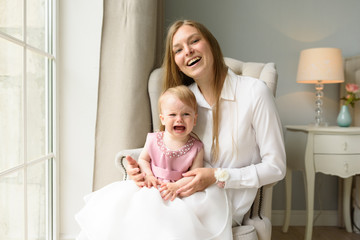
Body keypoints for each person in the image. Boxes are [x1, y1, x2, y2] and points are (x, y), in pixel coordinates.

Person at [126, 20, 286, 239]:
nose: (188, 51)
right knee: (128, 213)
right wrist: (143, 171)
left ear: (211, 44)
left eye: (194, 41)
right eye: (178, 49)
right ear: (176, 62)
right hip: (176, 194)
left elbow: (276, 167)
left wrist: (217, 176)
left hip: (223, 203)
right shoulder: (184, 103)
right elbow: (164, 149)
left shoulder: (255, 93)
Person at [75, 85, 229, 240]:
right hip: (153, 185)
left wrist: (176, 186)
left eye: (186, 114)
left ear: (195, 119)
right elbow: (143, 159)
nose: (179, 119)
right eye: (172, 114)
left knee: (177, 224)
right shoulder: (154, 139)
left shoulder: (196, 147)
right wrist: (148, 175)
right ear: (162, 118)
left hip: (177, 191)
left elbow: (194, 175)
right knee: (133, 210)